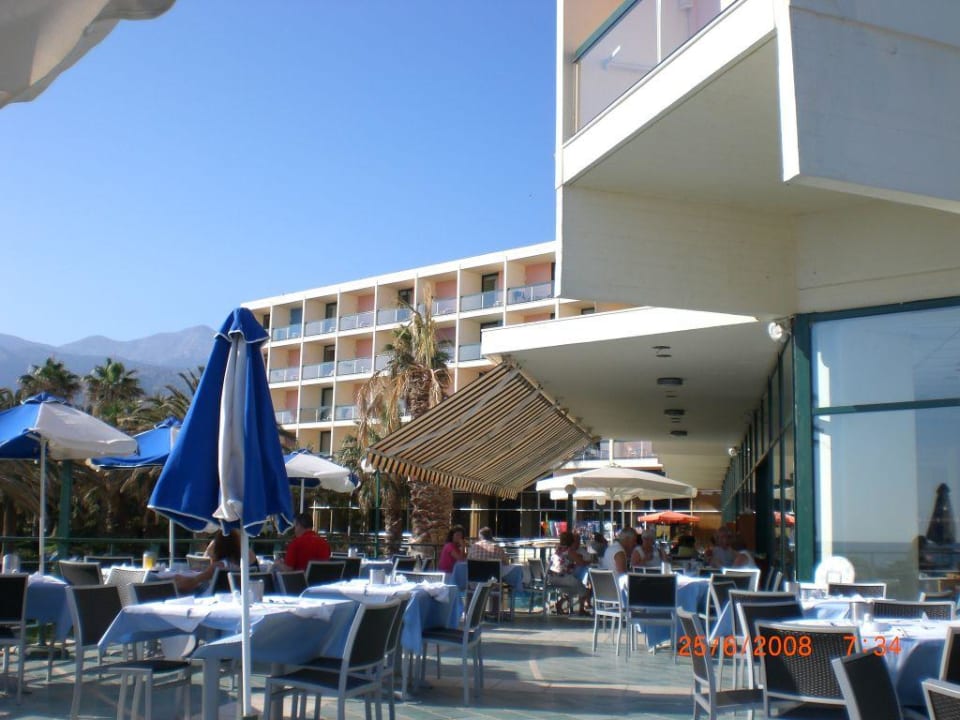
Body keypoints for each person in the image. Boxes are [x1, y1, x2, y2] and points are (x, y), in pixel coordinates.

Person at [548, 531, 591, 614]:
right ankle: (581, 609)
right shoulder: (569, 551)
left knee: (572, 589)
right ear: (571, 541)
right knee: (584, 589)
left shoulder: (558, 549)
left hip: (552, 578)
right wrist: (590, 561)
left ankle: (559, 604)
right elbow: (581, 563)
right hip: (563, 578)